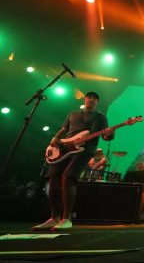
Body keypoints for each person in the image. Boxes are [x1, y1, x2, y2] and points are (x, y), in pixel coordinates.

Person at [32, 92, 114, 231]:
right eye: (90, 97)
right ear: (85, 99)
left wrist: (110, 134)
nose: (92, 100)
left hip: (85, 149)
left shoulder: (101, 117)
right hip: (64, 148)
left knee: (68, 177)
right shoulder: (73, 114)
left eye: (95, 98)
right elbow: (64, 129)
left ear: (97, 102)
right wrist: (55, 138)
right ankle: (54, 217)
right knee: (53, 179)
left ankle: (66, 219)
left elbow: (106, 137)